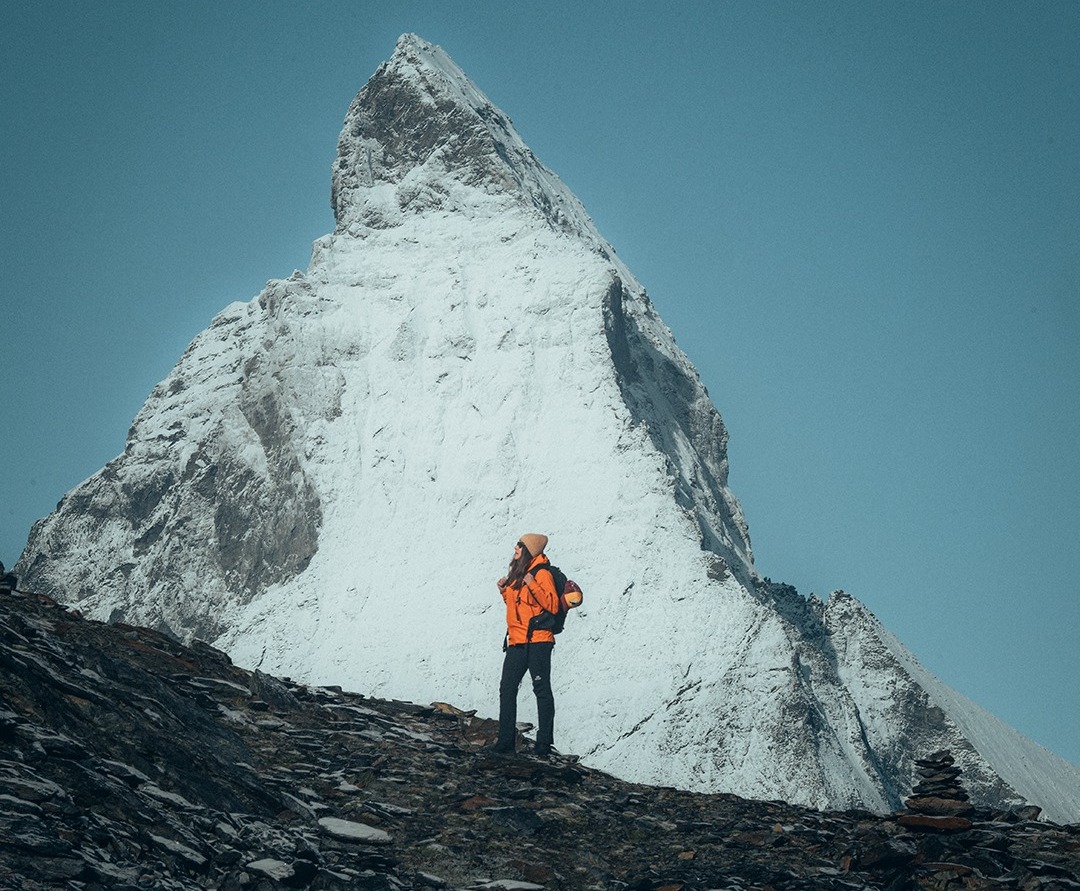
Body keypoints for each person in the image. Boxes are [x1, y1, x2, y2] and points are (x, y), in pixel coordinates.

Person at [492, 533, 558, 757]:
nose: (515, 548)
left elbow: (552, 605)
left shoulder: (541, 574)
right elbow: (517, 608)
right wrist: (504, 592)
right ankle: (505, 742)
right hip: (517, 640)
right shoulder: (518, 573)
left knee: (541, 689)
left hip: (538, 641)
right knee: (507, 688)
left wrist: (533, 584)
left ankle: (543, 744)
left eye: (520, 545)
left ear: (529, 550)